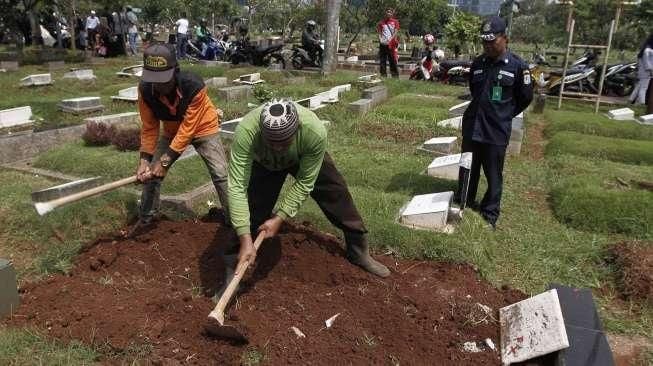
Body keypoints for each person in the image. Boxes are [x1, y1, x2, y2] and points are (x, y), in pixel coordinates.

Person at [226, 99, 391, 286]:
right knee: (253, 208)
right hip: (264, 162)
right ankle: (235, 261)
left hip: (302, 155)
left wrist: (280, 217)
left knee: (336, 192)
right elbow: (237, 187)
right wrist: (245, 237)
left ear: (297, 131)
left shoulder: (313, 131)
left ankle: (359, 251)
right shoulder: (246, 132)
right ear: (262, 134)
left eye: (284, 142)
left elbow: (305, 182)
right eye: (272, 143)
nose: (279, 148)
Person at [131, 44, 230, 235]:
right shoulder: (145, 90)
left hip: (203, 126)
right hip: (171, 131)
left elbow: (189, 128)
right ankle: (147, 219)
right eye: (153, 80)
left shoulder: (193, 86)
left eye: (163, 80)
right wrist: (145, 161)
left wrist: (165, 160)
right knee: (152, 174)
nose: (158, 86)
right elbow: (150, 127)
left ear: (175, 71)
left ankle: (235, 222)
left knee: (220, 174)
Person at [457, 16, 533, 229]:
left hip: (496, 130)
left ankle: (489, 215)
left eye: (492, 41)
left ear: (504, 39)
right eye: (485, 42)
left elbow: (525, 98)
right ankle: (464, 202)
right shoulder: (478, 63)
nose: (488, 46)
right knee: (467, 169)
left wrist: (504, 113)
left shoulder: (518, 66)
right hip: (473, 126)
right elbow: (475, 90)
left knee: (493, 174)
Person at [630, 33, 653, 113]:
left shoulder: (645, 49)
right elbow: (647, 62)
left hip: (643, 71)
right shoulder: (648, 50)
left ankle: (631, 99)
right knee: (644, 88)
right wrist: (650, 70)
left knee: (639, 86)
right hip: (646, 71)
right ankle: (642, 102)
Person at [377, 8, 400, 78]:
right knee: (382, 61)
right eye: (387, 12)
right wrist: (380, 40)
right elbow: (379, 33)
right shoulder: (381, 23)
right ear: (385, 13)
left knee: (392, 60)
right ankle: (383, 75)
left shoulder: (395, 22)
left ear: (392, 14)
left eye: (390, 12)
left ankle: (395, 76)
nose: (388, 13)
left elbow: (395, 32)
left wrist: (391, 39)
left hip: (391, 44)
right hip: (383, 44)